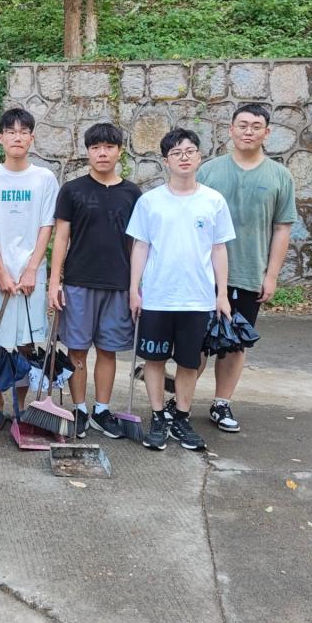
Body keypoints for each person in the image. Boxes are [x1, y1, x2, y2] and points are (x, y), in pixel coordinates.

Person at [177, 103, 296, 433]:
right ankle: (181, 402)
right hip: (203, 273)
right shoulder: (209, 171)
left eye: (256, 126)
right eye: (242, 125)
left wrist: (271, 275)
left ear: (266, 133)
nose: (248, 131)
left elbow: (282, 228)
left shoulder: (280, 177)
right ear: (230, 130)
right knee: (196, 341)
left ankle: (221, 403)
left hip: (248, 272)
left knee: (235, 342)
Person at [127, 127, 234, 452]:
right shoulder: (150, 202)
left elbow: (219, 249)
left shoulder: (213, 201)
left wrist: (221, 294)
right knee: (154, 360)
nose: (183, 157)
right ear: (166, 161)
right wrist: (134, 289)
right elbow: (140, 247)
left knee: (189, 363)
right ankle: (158, 416)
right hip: (158, 296)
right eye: (176, 153)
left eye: (189, 151)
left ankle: (182, 417)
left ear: (199, 157)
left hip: (197, 299)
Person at [48, 123, 142, 439]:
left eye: (109, 147)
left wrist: (135, 287)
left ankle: (102, 410)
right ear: (87, 151)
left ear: (119, 151)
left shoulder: (132, 194)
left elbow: (137, 244)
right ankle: (80, 409)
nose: (102, 153)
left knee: (107, 350)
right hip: (78, 282)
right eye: (96, 147)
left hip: (118, 284)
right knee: (76, 350)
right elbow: (61, 238)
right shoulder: (72, 190)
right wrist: (54, 282)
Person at [0, 109, 59, 431]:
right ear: (0, 138)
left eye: (24, 132)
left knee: (26, 343)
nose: (17, 137)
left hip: (31, 275)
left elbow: (47, 225)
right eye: (10, 131)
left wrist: (31, 269)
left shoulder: (44, 179)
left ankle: (21, 407)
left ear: (32, 138)